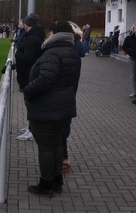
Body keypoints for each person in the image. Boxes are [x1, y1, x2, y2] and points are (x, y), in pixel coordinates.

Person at [22, 20, 80, 196]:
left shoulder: (53, 53)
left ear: (54, 33)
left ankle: (47, 184)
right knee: (55, 144)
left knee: (46, 146)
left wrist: (28, 90)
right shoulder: (70, 50)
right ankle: (56, 181)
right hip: (62, 105)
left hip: (48, 106)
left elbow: (46, 80)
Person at [15, 13, 46, 142]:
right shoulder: (36, 37)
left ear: (29, 25)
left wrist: (17, 55)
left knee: (31, 104)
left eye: (26, 24)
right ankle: (31, 127)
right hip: (30, 74)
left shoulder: (32, 39)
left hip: (29, 75)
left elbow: (28, 58)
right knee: (31, 103)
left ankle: (33, 131)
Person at [60, 21, 85, 174]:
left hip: (64, 95)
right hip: (68, 95)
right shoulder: (75, 49)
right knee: (63, 127)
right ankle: (63, 158)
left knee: (61, 129)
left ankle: (63, 160)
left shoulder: (71, 51)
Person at [122, 24, 136, 98]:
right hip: (131, 58)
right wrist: (130, 52)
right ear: (133, 29)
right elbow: (124, 47)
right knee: (133, 76)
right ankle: (134, 92)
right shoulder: (129, 38)